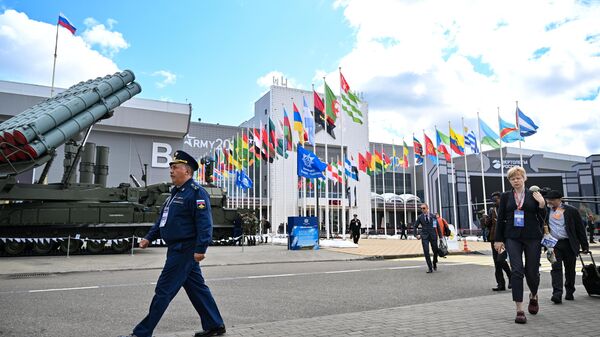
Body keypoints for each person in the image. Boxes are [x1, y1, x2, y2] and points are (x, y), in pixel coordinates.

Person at [119, 150, 226, 337]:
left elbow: (205, 223)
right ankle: (215, 325)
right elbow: (163, 220)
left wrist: (201, 248)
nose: (171, 170)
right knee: (197, 289)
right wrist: (148, 237)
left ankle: (142, 333)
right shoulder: (174, 194)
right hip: (176, 249)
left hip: (185, 250)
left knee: (163, 290)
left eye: (175, 167)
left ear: (187, 171)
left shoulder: (196, 193)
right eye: (171, 167)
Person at [494, 166, 546, 324]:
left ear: (524, 178)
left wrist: (542, 204)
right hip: (512, 237)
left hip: (532, 237)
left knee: (532, 271)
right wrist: (498, 239)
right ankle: (519, 309)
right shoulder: (505, 196)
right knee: (516, 271)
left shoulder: (534, 194)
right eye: (512, 178)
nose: (516, 181)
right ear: (509, 181)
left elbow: (543, 218)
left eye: (518, 177)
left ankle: (534, 295)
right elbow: (501, 218)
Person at [544, 190, 590, 304]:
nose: (550, 202)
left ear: (560, 199)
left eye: (552, 200)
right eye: (548, 200)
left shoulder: (571, 211)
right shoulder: (545, 211)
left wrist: (585, 245)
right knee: (556, 268)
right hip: (553, 244)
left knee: (570, 269)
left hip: (569, 243)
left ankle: (570, 291)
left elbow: (580, 229)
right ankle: (557, 293)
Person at [486, 191, 512, 291]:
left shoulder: (506, 209)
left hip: (503, 239)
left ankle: (511, 277)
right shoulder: (492, 210)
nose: (493, 202)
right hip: (494, 239)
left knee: (500, 260)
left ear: (501, 199)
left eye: (495, 200)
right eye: (492, 200)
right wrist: (485, 220)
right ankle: (500, 284)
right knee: (496, 263)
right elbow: (488, 225)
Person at [414, 203, 442, 273]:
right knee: (426, 251)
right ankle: (430, 268)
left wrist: (441, 236)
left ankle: (434, 262)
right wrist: (416, 235)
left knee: (435, 250)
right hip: (424, 236)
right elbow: (415, 226)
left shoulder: (433, 216)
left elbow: (437, 226)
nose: (422, 210)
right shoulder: (420, 217)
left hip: (433, 235)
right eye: (421, 208)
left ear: (427, 208)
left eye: (424, 208)